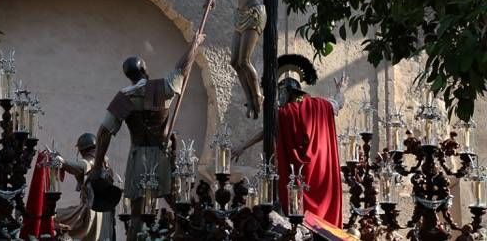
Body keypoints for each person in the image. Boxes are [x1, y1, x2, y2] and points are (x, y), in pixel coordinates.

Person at [89, 32, 205, 241]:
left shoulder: (124, 97)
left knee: (136, 216)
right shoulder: (162, 87)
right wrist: (194, 46)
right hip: (163, 156)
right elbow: (182, 68)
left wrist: (97, 168)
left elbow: (104, 133)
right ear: (144, 69)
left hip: (138, 159)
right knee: (179, 207)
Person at [232, 54, 346, 227]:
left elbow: (267, 131)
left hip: (296, 182)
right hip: (320, 180)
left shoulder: (284, 114)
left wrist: (243, 146)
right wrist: (341, 90)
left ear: (286, 93)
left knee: (295, 221)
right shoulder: (320, 106)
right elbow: (338, 103)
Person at [56, 133, 115, 241]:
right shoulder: (105, 162)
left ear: (82, 150)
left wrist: (63, 162)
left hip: (92, 212)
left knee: (54, 217)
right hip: (106, 211)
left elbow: (80, 166)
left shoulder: (92, 160)